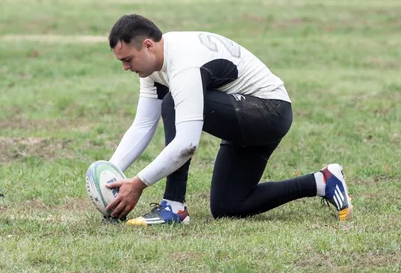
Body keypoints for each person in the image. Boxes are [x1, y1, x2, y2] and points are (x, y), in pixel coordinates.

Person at [104, 14, 353, 226]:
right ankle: (323, 181)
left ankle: (174, 206)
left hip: (270, 112)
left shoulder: (184, 63)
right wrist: (109, 174)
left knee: (172, 103)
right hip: (244, 114)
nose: (125, 67)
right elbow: (143, 125)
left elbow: (186, 144)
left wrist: (138, 184)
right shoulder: (153, 66)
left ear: (148, 45)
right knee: (229, 205)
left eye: (127, 59)